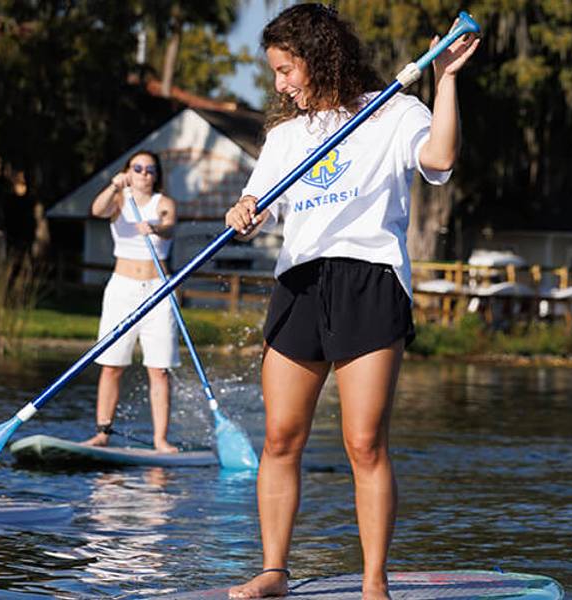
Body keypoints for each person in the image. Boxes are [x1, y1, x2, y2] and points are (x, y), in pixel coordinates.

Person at [221, 5, 477, 599]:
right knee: (281, 438)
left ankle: (372, 583)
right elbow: (253, 204)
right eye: (276, 73)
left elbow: (439, 159)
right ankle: (274, 573)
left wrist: (448, 82)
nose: (281, 84)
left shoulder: (393, 109)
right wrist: (242, 212)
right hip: (300, 285)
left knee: (364, 442)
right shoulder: (285, 137)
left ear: (319, 55)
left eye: (287, 69)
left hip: (368, 280)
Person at [81, 150, 181, 453]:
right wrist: (114, 186)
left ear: (156, 175)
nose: (144, 174)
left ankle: (160, 439)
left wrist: (155, 227)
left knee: (159, 369)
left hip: (158, 290)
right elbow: (96, 210)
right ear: (129, 171)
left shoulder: (163, 204)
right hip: (122, 289)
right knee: (112, 365)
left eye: (150, 170)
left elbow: (171, 226)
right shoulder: (119, 201)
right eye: (137, 168)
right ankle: (102, 432)